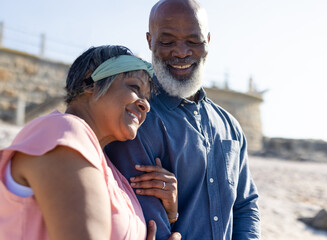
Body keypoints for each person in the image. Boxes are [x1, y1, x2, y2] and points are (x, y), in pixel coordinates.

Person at [105, 0, 261, 239]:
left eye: (193, 41)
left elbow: (245, 205)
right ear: (150, 41)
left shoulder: (230, 126)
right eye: (167, 41)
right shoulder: (136, 119)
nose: (180, 52)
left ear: (208, 41)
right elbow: (147, 225)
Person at [0, 45, 181, 240]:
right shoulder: (64, 132)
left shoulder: (108, 167)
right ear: (90, 83)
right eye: (134, 87)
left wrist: (170, 215)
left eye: (147, 98)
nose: (145, 105)